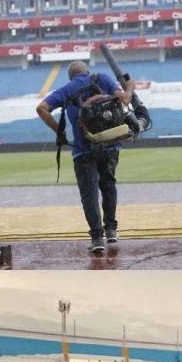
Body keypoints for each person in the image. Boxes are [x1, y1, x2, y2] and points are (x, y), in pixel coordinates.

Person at [36, 61, 135, 253]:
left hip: (83, 149)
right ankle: (111, 230)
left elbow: (41, 109)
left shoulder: (68, 89)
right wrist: (130, 88)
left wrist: (59, 131)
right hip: (109, 145)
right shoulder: (103, 79)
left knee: (89, 194)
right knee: (108, 186)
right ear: (87, 71)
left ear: (71, 77)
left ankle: (97, 237)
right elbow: (124, 100)